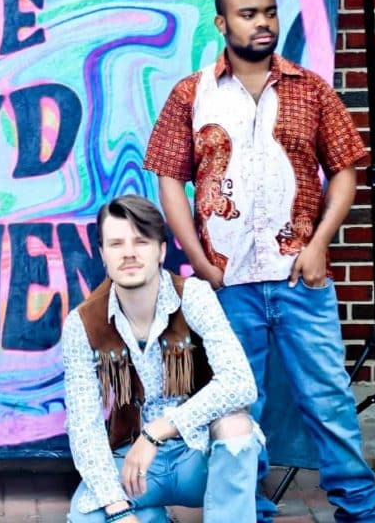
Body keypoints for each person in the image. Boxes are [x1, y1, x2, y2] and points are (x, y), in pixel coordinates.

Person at [144, 0, 375, 522]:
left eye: (269, 12)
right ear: (222, 23)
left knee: (328, 401)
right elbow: (168, 179)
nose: (263, 23)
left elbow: (345, 171)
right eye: (248, 14)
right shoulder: (191, 94)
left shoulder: (310, 89)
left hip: (301, 279)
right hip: (228, 287)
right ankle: (246, 511)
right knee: (236, 406)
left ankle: (361, 513)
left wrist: (318, 244)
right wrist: (200, 262)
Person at [63, 195, 261, 523]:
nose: (129, 253)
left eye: (141, 242)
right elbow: (84, 427)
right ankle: (153, 515)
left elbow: (240, 383)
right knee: (87, 518)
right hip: (135, 466)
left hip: (197, 453)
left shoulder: (193, 296)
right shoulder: (82, 323)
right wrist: (117, 510)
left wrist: (157, 431)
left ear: (161, 251)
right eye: (116, 244)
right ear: (102, 254)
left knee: (237, 429)